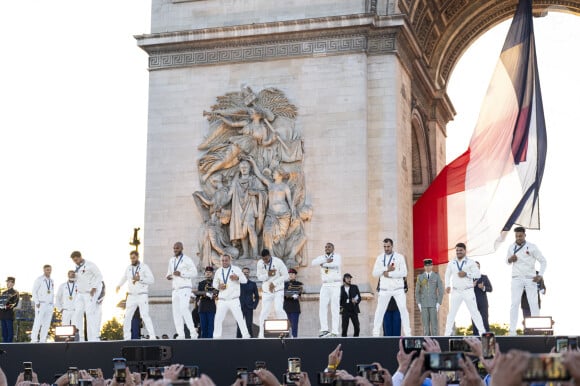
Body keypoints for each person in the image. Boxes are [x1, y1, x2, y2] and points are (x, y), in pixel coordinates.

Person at [507, 226, 547, 336]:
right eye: (516, 236)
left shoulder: (532, 247)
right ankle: (512, 331)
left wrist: (540, 275)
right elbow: (507, 261)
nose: (518, 238)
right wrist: (511, 259)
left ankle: (536, 329)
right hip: (516, 278)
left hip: (530, 278)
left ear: (525, 235)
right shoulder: (511, 247)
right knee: (514, 304)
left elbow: (543, 261)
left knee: (533, 303)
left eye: (520, 235)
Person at [443, 242, 486, 336]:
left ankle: (482, 333)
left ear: (465, 251)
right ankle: (446, 334)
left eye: (460, 250)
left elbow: (477, 274)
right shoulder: (452, 262)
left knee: (474, 312)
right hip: (456, 291)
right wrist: (447, 285)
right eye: (457, 250)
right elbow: (447, 274)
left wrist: (466, 274)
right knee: (451, 314)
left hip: (468, 290)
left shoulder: (471, 262)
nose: (458, 252)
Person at [228, 159, 267, 259]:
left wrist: (256, 192)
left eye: (246, 167)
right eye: (242, 167)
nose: (244, 169)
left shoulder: (254, 180)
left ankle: (255, 253)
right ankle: (245, 253)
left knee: (250, 227)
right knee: (242, 231)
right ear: (239, 169)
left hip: (250, 205)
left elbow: (264, 192)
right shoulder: (236, 182)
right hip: (238, 207)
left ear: (250, 168)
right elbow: (229, 195)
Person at [371, 238, 411, 336]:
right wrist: (386, 268)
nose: (386, 248)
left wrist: (390, 274)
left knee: (403, 309)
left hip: (398, 289)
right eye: (384, 246)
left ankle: (408, 333)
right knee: (379, 311)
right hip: (384, 289)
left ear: (392, 246)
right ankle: (375, 333)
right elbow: (374, 273)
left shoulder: (399, 257)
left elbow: (404, 272)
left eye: (388, 246)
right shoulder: (380, 257)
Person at [116, 250, 157, 341]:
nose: (132, 260)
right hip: (131, 296)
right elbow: (124, 277)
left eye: (134, 258)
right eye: (131, 258)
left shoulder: (144, 267)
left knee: (145, 315)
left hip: (142, 295)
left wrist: (140, 279)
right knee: (127, 316)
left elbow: (151, 280)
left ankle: (152, 336)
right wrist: (119, 285)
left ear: (137, 257)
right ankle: (126, 337)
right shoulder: (128, 268)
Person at [213, 254, 251, 338]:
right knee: (218, 319)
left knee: (240, 318)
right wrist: (219, 286)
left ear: (230, 261)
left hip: (234, 299)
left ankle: (246, 335)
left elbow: (244, 281)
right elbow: (214, 283)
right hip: (222, 300)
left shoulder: (236, 269)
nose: (224, 262)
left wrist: (237, 278)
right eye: (222, 260)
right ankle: (216, 337)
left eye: (226, 260)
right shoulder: (218, 271)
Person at [166, 241, 198, 339]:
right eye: (174, 248)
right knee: (176, 312)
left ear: (182, 248)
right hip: (175, 289)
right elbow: (168, 273)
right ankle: (181, 334)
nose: (175, 250)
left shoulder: (187, 259)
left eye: (177, 248)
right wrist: (169, 276)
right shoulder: (171, 260)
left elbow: (194, 273)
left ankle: (193, 332)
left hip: (185, 288)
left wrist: (182, 274)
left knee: (184, 308)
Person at [310, 242, 342, 337]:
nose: (327, 248)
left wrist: (323, 264)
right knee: (322, 307)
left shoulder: (337, 256)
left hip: (335, 284)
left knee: (334, 308)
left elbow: (335, 264)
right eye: (326, 247)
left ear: (333, 248)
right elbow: (313, 263)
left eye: (329, 247)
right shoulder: (322, 257)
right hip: (325, 285)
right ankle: (324, 330)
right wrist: (324, 261)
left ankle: (335, 331)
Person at [70, 251, 103, 342]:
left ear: (80, 257)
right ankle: (80, 338)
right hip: (80, 294)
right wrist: (73, 277)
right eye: (74, 261)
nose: (75, 262)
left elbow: (99, 276)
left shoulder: (90, 265)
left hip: (89, 293)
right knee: (77, 314)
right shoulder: (77, 267)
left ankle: (93, 338)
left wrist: (94, 287)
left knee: (89, 314)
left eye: (76, 260)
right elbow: (80, 279)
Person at [256, 249, 289, 338]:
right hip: (267, 292)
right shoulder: (260, 263)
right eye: (264, 259)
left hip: (278, 290)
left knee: (278, 309)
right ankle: (261, 334)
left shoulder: (278, 262)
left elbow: (286, 276)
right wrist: (268, 274)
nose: (265, 261)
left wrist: (274, 283)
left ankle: (285, 331)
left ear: (269, 255)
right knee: (264, 312)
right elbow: (259, 277)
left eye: (266, 259)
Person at [415, 258, 443, 336]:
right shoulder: (420, 277)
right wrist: (419, 303)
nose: (428, 267)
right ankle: (427, 344)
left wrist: (438, 302)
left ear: (432, 266)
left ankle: (435, 342)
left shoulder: (436, 276)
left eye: (429, 265)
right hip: (423, 304)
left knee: (434, 326)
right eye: (426, 266)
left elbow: (441, 290)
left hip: (433, 303)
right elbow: (417, 291)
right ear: (424, 267)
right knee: (425, 327)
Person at [30, 265, 55, 343]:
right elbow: (34, 291)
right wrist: (37, 302)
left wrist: (52, 304)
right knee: (38, 322)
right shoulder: (39, 279)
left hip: (49, 305)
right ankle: (34, 339)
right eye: (47, 270)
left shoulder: (51, 281)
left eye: (50, 270)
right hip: (41, 304)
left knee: (46, 323)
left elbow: (51, 293)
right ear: (44, 270)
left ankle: (43, 339)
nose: (49, 271)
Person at [236, 267, 259, 338]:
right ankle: (238, 342)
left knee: (249, 325)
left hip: (249, 307)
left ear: (249, 273)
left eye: (247, 272)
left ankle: (250, 341)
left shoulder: (253, 284)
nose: (245, 273)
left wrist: (254, 306)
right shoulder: (237, 284)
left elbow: (257, 296)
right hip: (239, 307)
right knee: (239, 325)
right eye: (244, 272)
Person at [472, 261, 493, 335]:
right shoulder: (468, 279)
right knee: (475, 323)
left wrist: (483, 287)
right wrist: (471, 286)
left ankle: (487, 343)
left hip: (483, 304)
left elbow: (490, 289)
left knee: (485, 322)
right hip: (473, 304)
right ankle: (476, 342)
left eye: (477, 267)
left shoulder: (484, 277)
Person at [197, 266, 217, 338]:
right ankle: (204, 343)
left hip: (211, 307)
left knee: (211, 327)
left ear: (212, 273)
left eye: (210, 272)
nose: (208, 274)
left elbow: (216, 292)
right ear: (205, 273)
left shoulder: (215, 283)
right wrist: (207, 294)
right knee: (203, 327)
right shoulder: (201, 283)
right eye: (207, 272)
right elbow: (198, 294)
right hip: (202, 307)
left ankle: (210, 343)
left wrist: (205, 293)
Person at [283, 268, 303, 338]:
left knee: (294, 326)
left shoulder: (299, 284)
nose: (291, 275)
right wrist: (292, 294)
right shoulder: (284, 284)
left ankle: (294, 339)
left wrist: (290, 294)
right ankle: (286, 339)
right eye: (289, 274)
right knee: (286, 326)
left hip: (295, 308)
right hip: (286, 308)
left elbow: (298, 294)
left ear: (295, 275)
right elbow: (285, 294)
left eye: (292, 274)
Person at [0, 277, 19, 342]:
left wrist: (5, 307)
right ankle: (4, 346)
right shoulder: (3, 292)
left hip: (9, 314)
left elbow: (14, 304)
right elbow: (1, 302)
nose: (7, 283)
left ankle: (9, 347)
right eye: (7, 282)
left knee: (9, 332)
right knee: (4, 332)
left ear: (13, 283)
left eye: (9, 282)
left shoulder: (15, 293)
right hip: (2, 315)